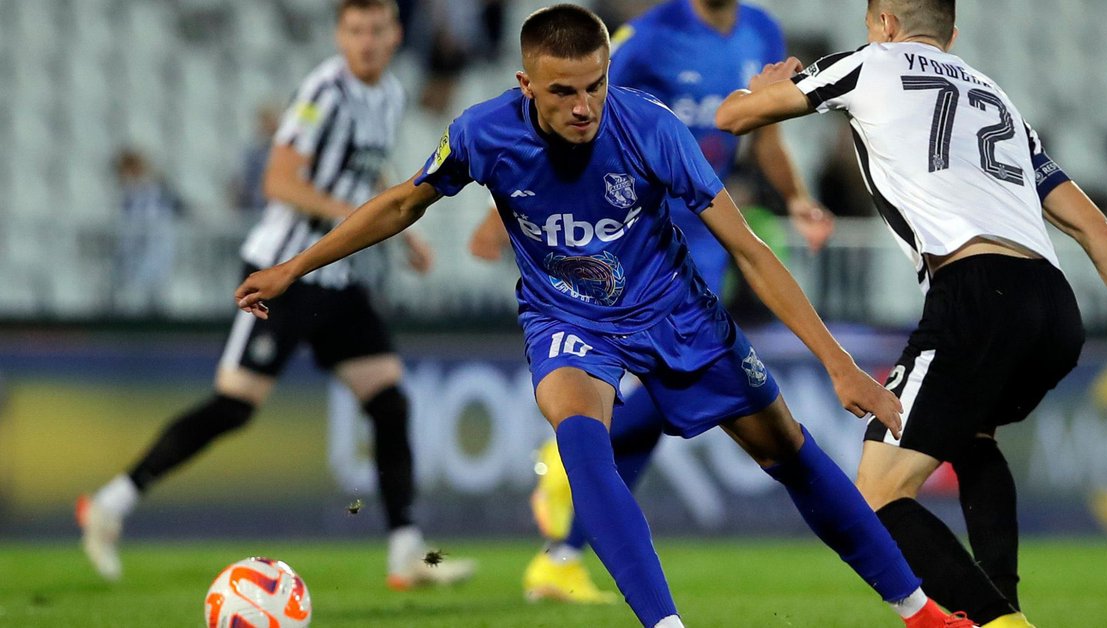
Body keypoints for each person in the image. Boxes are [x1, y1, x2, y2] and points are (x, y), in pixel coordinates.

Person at [235, 5, 977, 627]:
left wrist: (836, 361)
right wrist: (294, 267)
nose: (583, 106)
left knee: (786, 446)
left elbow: (748, 250)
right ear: (526, 84)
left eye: (594, 85)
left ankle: (920, 610)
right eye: (563, 92)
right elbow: (402, 201)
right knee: (577, 429)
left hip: (673, 307)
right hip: (566, 315)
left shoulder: (652, 130)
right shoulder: (482, 133)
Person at [713, 1, 1107, 626]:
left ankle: (999, 623)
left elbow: (732, 119)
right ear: (952, 35)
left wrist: (764, 87)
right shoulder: (999, 102)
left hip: (975, 290)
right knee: (974, 438)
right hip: (1054, 308)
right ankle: (1008, 609)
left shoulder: (869, 63)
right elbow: (1098, 229)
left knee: (878, 497)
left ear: (885, 23)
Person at [77, 0, 475, 591]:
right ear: (341, 34)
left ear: (395, 35)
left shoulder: (390, 95)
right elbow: (279, 181)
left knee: (389, 402)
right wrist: (358, 220)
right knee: (235, 405)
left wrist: (395, 232)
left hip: (339, 281)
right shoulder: (323, 91)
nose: (366, 41)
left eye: (377, 30)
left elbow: (364, 168)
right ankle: (110, 503)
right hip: (283, 273)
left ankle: (405, 550)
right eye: (355, 30)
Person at [470, 0, 837, 604]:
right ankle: (572, 483)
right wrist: (501, 207)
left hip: (708, 235)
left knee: (671, 397)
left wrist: (795, 197)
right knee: (672, 393)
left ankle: (564, 544)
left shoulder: (761, 29)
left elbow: (763, 134)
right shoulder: (648, 35)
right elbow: (571, 121)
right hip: (642, 233)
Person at [111, 148, 186, 316]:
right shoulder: (128, 196)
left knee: (155, 298)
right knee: (135, 300)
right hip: (135, 255)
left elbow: (181, 209)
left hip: (157, 251)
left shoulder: (157, 191)